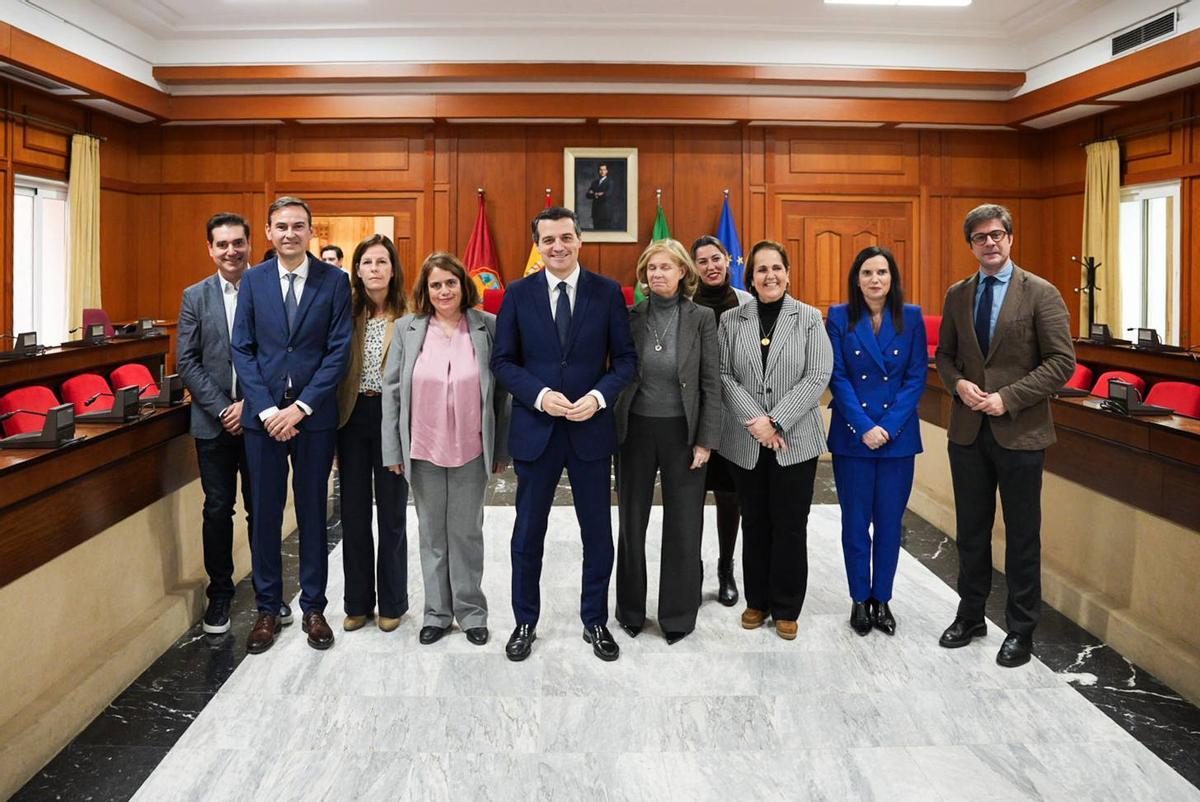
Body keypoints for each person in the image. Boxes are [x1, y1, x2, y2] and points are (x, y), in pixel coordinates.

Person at [491, 206, 637, 662]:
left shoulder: (607, 292)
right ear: (537, 245)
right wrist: (539, 396)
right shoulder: (517, 294)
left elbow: (626, 361)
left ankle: (595, 620)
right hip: (536, 430)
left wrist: (598, 397)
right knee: (527, 533)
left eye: (566, 237)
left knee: (597, 533)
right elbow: (502, 362)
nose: (558, 246)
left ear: (580, 240)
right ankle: (525, 621)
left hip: (590, 429)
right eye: (548, 239)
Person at [934, 204, 1074, 667]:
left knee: (1022, 536)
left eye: (997, 235)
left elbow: (1061, 362)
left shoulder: (1041, 293)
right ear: (971, 245)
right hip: (968, 432)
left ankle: (1021, 629)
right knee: (971, 532)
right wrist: (957, 384)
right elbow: (945, 356)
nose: (989, 243)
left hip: (1021, 433)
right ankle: (970, 615)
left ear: (1010, 238)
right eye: (980, 237)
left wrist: (1007, 398)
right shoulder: (958, 294)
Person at [232, 196, 353, 654]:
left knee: (312, 512)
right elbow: (242, 348)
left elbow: (338, 351)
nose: (289, 233)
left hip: (312, 418)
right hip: (263, 420)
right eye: (281, 226)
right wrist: (266, 411)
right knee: (264, 514)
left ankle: (314, 608)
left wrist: (300, 407)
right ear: (268, 231)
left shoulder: (334, 281)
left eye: (298, 226)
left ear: (310, 231)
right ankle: (267, 608)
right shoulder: (253, 280)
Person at [382, 252, 510, 647]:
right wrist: (393, 450)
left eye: (450, 283)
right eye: (435, 284)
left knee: (466, 533)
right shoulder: (407, 328)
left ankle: (471, 613)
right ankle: (437, 613)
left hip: (472, 447)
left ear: (463, 285)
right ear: (425, 290)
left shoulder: (487, 326)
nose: (443, 291)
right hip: (423, 447)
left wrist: (500, 448)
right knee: (432, 533)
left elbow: (502, 394)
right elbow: (392, 392)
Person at [177, 213, 293, 633]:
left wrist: (249, 406)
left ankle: (269, 595)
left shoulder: (270, 289)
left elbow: (279, 355)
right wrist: (223, 407)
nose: (231, 251)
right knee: (217, 509)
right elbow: (186, 361)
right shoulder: (195, 296)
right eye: (222, 244)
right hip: (213, 424)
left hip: (261, 420)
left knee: (262, 509)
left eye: (238, 243)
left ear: (249, 244)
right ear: (210, 249)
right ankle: (220, 595)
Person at [717, 240, 832, 640]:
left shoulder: (809, 318)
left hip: (795, 440)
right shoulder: (731, 320)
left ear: (788, 273)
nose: (770, 276)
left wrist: (777, 421)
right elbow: (724, 374)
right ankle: (757, 601)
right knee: (754, 520)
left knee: (790, 523)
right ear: (750, 277)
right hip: (746, 439)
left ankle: (786, 606)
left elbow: (818, 375)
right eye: (762, 269)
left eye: (776, 268)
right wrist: (758, 423)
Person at [614, 239, 720, 644]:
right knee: (631, 521)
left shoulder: (702, 318)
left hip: (683, 433)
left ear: (682, 273)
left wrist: (705, 441)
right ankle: (630, 611)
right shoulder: (630, 316)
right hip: (635, 430)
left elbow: (710, 383)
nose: (657, 274)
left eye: (665, 267)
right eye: (651, 268)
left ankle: (677, 616)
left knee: (684, 523)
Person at [826, 246, 927, 637]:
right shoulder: (839, 316)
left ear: (892, 278)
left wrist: (888, 426)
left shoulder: (911, 317)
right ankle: (859, 599)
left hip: (897, 439)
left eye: (882, 272)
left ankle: (881, 599)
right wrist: (864, 426)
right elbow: (837, 376)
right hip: (854, 437)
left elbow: (916, 377)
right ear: (857, 279)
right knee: (855, 524)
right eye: (867, 272)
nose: (875, 279)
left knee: (889, 524)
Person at [334, 234, 409, 634]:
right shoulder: (345, 313)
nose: (375, 269)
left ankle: (393, 602)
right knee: (354, 514)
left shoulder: (411, 316)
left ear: (393, 269)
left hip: (392, 419)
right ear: (357, 270)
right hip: (352, 417)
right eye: (367, 262)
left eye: (382, 262)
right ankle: (357, 602)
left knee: (392, 514)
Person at [690, 234, 752, 606]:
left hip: (733, 417)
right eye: (703, 261)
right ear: (694, 267)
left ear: (728, 260)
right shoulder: (685, 304)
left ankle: (726, 567)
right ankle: (692, 569)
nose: (711, 266)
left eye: (716, 258)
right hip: (696, 418)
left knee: (730, 498)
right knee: (692, 498)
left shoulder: (747, 303)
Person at [586, 163, 613, 229]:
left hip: (605, 214)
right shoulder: (594, 182)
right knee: (596, 231)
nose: (602, 171)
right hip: (595, 213)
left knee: (605, 233)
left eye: (604, 170)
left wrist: (594, 193)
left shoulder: (610, 182)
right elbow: (588, 195)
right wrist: (597, 194)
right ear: (598, 171)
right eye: (600, 170)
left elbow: (607, 195)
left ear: (607, 171)